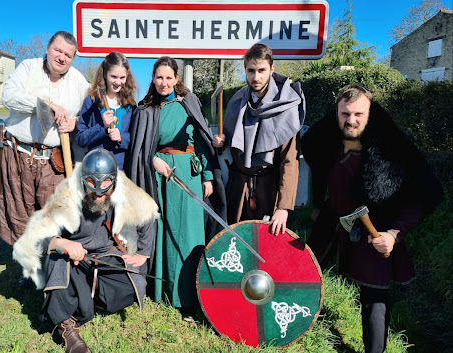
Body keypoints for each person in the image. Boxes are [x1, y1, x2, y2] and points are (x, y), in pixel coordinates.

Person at [301, 85, 444, 353]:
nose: (351, 120)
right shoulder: (326, 141)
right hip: (334, 222)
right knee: (305, 273)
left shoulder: (393, 149)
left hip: (374, 228)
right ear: (337, 113)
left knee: (374, 297)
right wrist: (319, 204)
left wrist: (394, 233)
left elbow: (423, 196)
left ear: (370, 113)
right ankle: (292, 323)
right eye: (345, 114)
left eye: (358, 114)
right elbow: (320, 170)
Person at [12, 149, 159, 353]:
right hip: (72, 260)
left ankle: (83, 295)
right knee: (58, 261)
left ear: (114, 181)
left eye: (105, 186)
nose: (98, 194)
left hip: (104, 255)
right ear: (83, 181)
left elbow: (148, 213)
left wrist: (142, 252)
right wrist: (61, 243)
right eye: (92, 186)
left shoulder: (123, 188)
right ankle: (66, 327)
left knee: (130, 286)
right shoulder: (67, 195)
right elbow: (35, 237)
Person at [127, 56, 226, 321]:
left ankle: (189, 297)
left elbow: (204, 141)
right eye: (159, 77)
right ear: (153, 78)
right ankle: (162, 289)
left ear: (176, 78)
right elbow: (137, 150)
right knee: (161, 233)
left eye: (169, 77)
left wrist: (207, 176)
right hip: (157, 177)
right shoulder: (145, 109)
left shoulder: (189, 102)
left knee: (189, 235)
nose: (164, 82)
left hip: (187, 175)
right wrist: (153, 159)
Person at [0, 31, 90, 246]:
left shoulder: (78, 81)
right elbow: (8, 96)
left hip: (54, 161)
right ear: (48, 49)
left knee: (52, 215)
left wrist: (75, 123)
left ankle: (51, 268)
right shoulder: (29, 68)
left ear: (73, 58)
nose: (61, 57)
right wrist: (45, 104)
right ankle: (27, 267)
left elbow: (88, 115)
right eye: (58, 50)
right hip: (19, 155)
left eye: (68, 55)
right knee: (20, 212)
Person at [212, 43, 305, 235]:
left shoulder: (287, 106)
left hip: (270, 190)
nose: (256, 77)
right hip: (239, 188)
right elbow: (232, 141)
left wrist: (283, 207)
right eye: (251, 70)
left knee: (267, 250)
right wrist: (222, 142)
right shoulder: (237, 101)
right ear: (245, 71)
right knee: (236, 246)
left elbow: (290, 162)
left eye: (261, 70)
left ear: (272, 69)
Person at [76, 52, 136, 170]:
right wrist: (101, 127)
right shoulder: (91, 102)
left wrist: (121, 138)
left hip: (121, 171)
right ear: (104, 74)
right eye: (113, 76)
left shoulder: (131, 106)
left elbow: (136, 140)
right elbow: (80, 139)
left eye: (122, 77)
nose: (118, 82)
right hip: (95, 170)